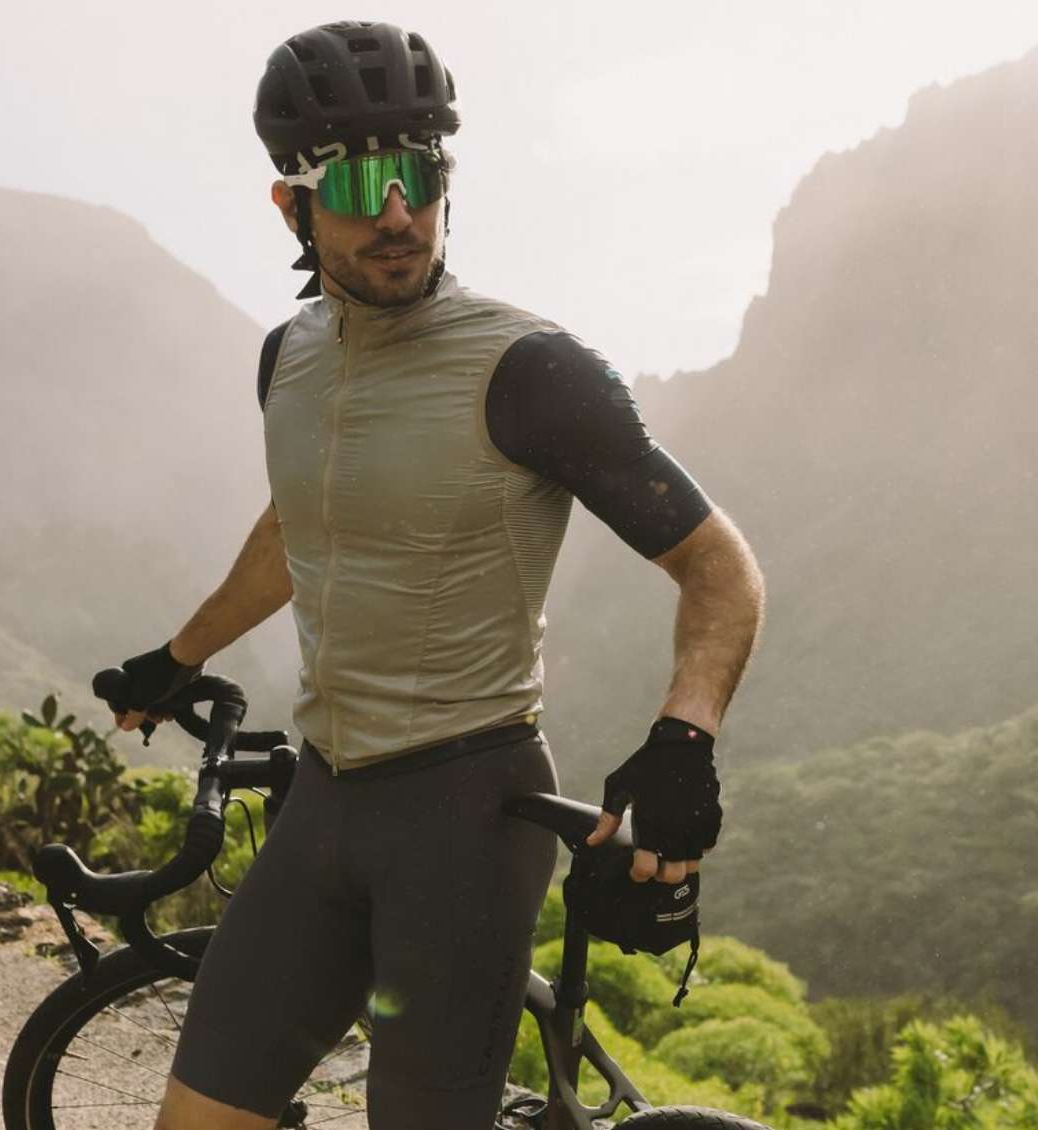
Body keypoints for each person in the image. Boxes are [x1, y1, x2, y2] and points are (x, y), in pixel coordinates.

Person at [97, 20, 766, 1130]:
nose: (398, 211)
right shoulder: (290, 357)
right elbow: (301, 524)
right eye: (361, 180)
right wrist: (180, 657)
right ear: (294, 206)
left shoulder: (530, 369)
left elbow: (717, 565)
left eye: (420, 173)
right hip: (322, 802)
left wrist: (685, 734)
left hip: (465, 811)